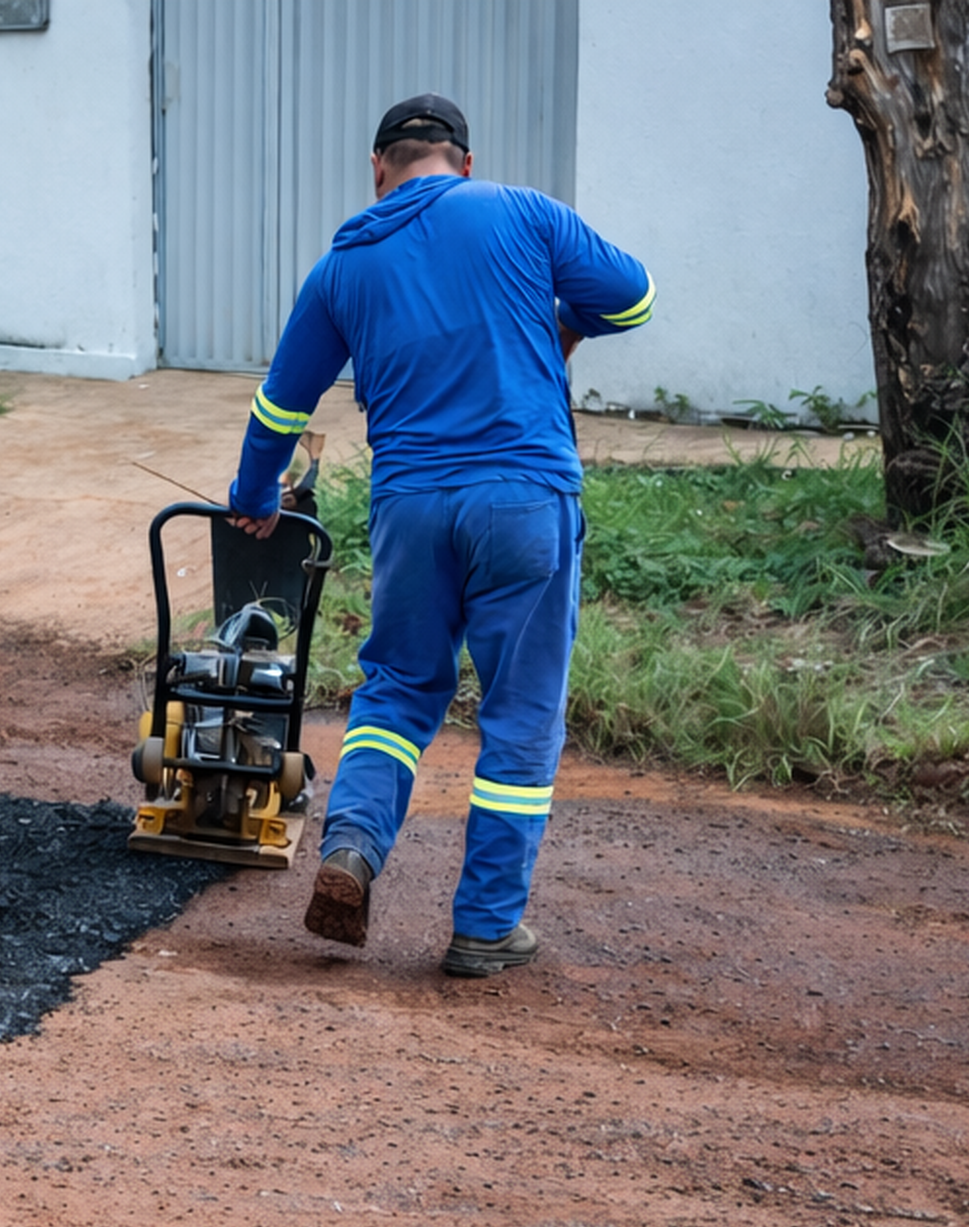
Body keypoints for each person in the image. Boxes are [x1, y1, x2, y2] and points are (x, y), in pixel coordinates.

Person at [226, 93, 654, 977]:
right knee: (520, 715)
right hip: (524, 499)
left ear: (378, 171)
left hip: (412, 511)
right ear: (462, 161)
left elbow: (280, 404)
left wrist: (255, 494)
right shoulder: (523, 212)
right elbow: (635, 299)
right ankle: (485, 926)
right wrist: (561, 324)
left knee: (397, 693)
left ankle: (350, 850)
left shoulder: (343, 265)